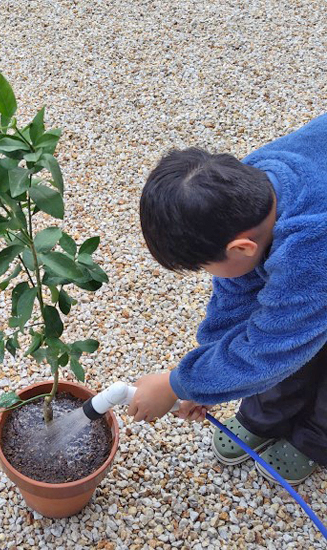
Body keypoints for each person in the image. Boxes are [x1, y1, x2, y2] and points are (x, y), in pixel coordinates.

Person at [128, 114, 327, 485]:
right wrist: (204, 377)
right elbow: (237, 291)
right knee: (295, 326)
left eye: (205, 266)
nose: (210, 275)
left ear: (242, 246)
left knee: (304, 343)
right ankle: (267, 416)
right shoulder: (248, 186)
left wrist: (176, 384)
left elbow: (272, 348)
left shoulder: (309, 251)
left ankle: (315, 440)